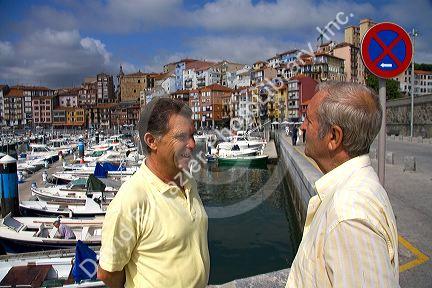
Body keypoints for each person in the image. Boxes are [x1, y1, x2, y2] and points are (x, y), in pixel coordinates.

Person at [286, 82, 399, 287]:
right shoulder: (354, 191)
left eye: (309, 121)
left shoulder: (349, 214)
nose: (302, 127)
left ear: (333, 137)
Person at [97, 98, 210, 288]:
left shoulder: (187, 180)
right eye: (181, 137)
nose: (191, 144)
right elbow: (108, 273)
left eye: (192, 135)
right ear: (152, 141)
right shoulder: (132, 199)